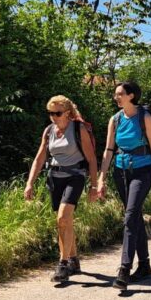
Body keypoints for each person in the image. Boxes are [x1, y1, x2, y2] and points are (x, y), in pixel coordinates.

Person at [96, 81, 151, 289]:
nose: (116, 97)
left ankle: (124, 269)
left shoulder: (144, 117)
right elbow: (109, 150)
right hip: (120, 171)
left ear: (131, 96)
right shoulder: (115, 120)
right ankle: (144, 265)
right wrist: (102, 178)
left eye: (120, 94)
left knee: (130, 216)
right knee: (134, 216)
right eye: (115, 94)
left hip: (143, 170)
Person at [24, 95, 99, 283]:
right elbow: (40, 158)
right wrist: (30, 183)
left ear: (67, 113)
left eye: (57, 113)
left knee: (63, 218)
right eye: (50, 113)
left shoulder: (78, 129)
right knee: (64, 222)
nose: (53, 117)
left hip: (75, 176)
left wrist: (94, 185)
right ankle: (73, 259)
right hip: (55, 178)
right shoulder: (49, 131)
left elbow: (91, 159)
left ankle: (63, 264)